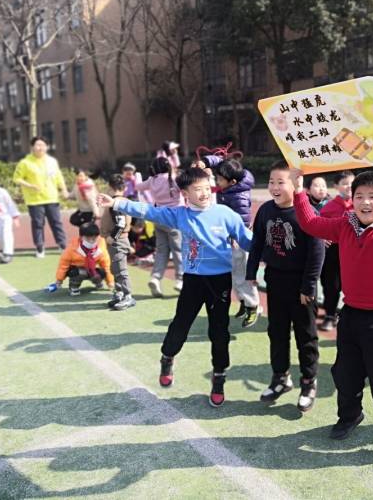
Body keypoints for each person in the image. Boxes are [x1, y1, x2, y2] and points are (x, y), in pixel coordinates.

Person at [292, 150, 373, 472]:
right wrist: (298, 189)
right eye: (360, 196)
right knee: (345, 375)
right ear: (352, 200)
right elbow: (310, 222)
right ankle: (350, 417)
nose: (366, 202)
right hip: (351, 314)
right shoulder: (344, 226)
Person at [98, 166, 253, 407]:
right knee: (181, 325)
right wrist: (117, 203)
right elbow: (148, 210)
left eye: (205, 188)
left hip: (220, 281)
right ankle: (168, 356)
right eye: (196, 190)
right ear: (185, 193)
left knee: (219, 332)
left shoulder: (225, 214)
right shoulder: (179, 215)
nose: (203, 194)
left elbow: (247, 240)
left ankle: (219, 375)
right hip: (193, 281)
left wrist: (271, 247)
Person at [246, 161, 324, 412]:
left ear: (295, 184)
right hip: (275, 280)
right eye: (271, 182)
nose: (275, 187)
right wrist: (251, 272)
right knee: (277, 333)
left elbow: (316, 253)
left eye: (281, 182)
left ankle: (309, 382)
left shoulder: (307, 212)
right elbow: (258, 242)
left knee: (306, 336)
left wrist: (308, 287)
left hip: (301, 285)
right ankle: (281, 378)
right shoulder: (266, 210)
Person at [199, 154, 261, 328]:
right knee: (234, 274)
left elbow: (243, 221)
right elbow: (220, 160)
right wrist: (205, 162)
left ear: (232, 182)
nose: (217, 181)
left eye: (219, 179)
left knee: (241, 274)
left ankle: (252, 306)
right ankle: (244, 301)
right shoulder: (235, 181)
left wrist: (234, 236)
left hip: (237, 240)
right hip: (229, 238)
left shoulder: (238, 197)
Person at [136, 156, 185, 296]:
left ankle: (155, 278)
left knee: (161, 250)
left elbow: (138, 187)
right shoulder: (175, 178)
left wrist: (137, 176)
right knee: (178, 250)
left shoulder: (152, 180)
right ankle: (180, 280)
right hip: (175, 218)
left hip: (158, 217)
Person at [12, 136, 68, 258]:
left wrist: (63, 189)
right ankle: (40, 247)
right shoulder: (25, 163)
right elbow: (16, 178)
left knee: (56, 222)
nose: (40, 147)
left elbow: (58, 176)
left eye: (43, 145)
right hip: (34, 200)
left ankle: (62, 245)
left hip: (52, 197)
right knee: (38, 224)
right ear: (32, 147)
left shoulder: (52, 161)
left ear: (47, 147)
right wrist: (30, 185)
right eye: (37, 145)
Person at [318, 170, 354, 331]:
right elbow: (320, 227)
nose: (349, 187)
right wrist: (322, 237)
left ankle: (351, 315)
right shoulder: (329, 207)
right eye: (345, 183)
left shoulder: (361, 204)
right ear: (336, 186)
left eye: (352, 183)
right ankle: (330, 315)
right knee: (331, 285)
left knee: (353, 284)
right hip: (333, 251)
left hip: (355, 251)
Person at [100, 174, 135, 311]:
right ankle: (119, 292)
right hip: (118, 240)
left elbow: (120, 223)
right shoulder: (123, 200)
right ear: (124, 188)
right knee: (116, 268)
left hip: (117, 240)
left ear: (110, 187)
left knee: (121, 269)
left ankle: (128, 296)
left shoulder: (115, 203)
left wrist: (112, 237)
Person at [50, 223, 115, 296]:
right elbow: (63, 265)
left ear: (98, 236)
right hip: (76, 270)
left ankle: (98, 281)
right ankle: (73, 286)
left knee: (103, 272)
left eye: (94, 238)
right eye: (87, 238)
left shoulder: (101, 246)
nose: (91, 241)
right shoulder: (72, 248)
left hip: (92, 269)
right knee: (79, 272)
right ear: (81, 237)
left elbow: (106, 265)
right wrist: (59, 280)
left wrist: (110, 282)